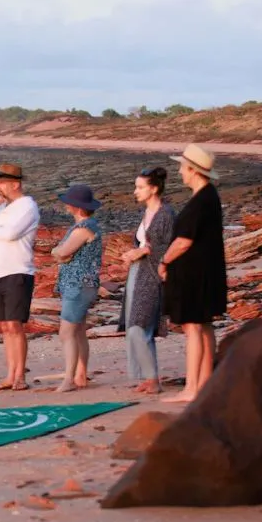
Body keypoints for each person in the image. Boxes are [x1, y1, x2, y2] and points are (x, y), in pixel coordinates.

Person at [159, 145, 228, 403]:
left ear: (193, 170)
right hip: (204, 272)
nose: (180, 172)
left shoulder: (202, 200)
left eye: (182, 167)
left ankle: (192, 388)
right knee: (204, 326)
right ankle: (203, 384)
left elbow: (184, 241)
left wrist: (164, 261)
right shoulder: (208, 196)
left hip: (195, 274)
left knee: (194, 328)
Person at [0, 163, 41, 391]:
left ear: (15, 184)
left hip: (17, 271)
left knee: (15, 325)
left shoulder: (27, 206)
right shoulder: (0, 208)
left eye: (2, 182)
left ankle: (20, 375)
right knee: (4, 326)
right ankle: (10, 375)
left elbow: (10, 234)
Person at [119, 167, 175, 395]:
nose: (136, 191)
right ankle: (148, 377)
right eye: (136, 187)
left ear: (153, 189)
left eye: (140, 187)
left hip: (153, 274)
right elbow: (145, 243)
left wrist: (144, 251)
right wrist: (133, 253)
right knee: (139, 324)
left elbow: (168, 244)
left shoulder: (165, 214)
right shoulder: (147, 213)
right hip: (138, 272)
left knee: (138, 326)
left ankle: (152, 378)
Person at [50, 184, 103, 392]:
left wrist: (59, 252)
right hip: (79, 284)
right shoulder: (88, 226)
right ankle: (80, 374)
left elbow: (63, 252)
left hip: (78, 285)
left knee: (67, 332)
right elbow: (63, 253)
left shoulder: (83, 229)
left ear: (77, 207)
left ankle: (69, 379)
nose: (66, 206)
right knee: (78, 330)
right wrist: (61, 253)